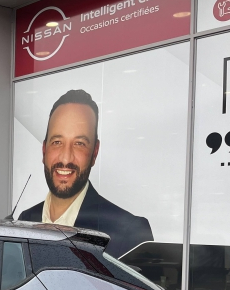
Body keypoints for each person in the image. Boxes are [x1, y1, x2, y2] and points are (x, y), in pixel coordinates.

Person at [19, 89, 153, 258]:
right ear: (44, 149)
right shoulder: (24, 220)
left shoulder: (130, 232)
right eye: (57, 142)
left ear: (94, 152)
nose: (66, 158)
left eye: (79, 143)